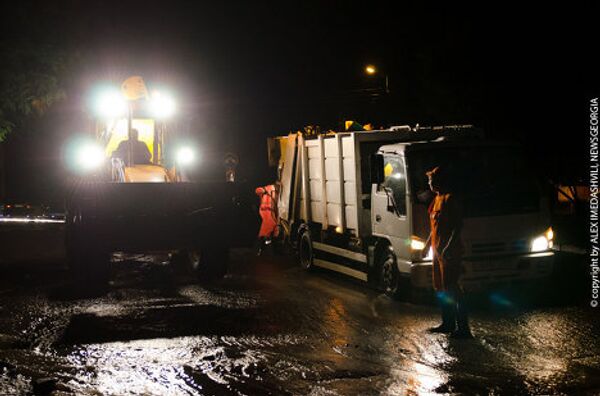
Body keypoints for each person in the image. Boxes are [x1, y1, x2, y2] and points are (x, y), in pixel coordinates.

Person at [423, 166, 472, 338]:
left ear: (440, 181)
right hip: (438, 252)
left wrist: (448, 247)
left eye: (431, 181)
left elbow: (457, 227)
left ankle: (463, 328)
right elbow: (434, 227)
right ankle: (448, 323)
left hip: (449, 253)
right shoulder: (436, 199)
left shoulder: (451, 199)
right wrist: (427, 245)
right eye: (429, 181)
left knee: (453, 289)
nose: (430, 184)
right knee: (442, 289)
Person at [255, 183, 279, 256]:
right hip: (266, 212)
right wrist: (264, 190)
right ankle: (264, 250)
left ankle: (261, 250)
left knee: (265, 233)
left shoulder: (273, 190)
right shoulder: (268, 188)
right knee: (266, 233)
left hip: (269, 212)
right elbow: (258, 190)